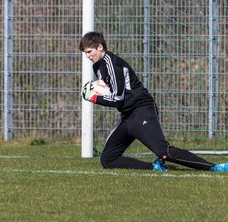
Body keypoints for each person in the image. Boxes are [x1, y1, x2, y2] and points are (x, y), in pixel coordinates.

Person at [79, 31, 228, 172]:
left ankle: (214, 167)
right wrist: (98, 90)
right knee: (108, 159)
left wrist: (95, 98)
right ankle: (154, 167)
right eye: (85, 53)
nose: (88, 56)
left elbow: (118, 98)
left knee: (163, 151)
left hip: (141, 110)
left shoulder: (111, 63)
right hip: (127, 115)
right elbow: (111, 91)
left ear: (100, 47)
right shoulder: (97, 66)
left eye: (89, 51)